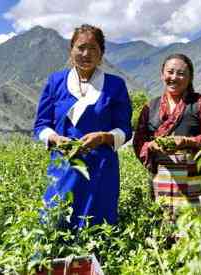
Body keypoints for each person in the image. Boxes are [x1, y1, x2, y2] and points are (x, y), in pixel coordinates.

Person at [33, 24, 133, 228]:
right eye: (81, 47)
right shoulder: (56, 82)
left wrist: (104, 137)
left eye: (93, 49)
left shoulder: (115, 85)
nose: (86, 54)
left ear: (102, 54)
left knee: (98, 225)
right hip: (64, 166)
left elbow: (125, 129)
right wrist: (55, 138)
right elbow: (41, 125)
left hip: (102, 169)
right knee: (56, 221)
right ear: (71, 50)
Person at [133, 53, 201, 221]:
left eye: (181, 73)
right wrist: (152, 146)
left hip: (195, 179)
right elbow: (139, 142)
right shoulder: (150, 107)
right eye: (170, 72)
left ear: (190, 78)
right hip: (162, 179)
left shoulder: (200, 103)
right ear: (162, 74)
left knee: (194, 230)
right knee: (163, 229)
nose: (174, 77)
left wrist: (189, 141)